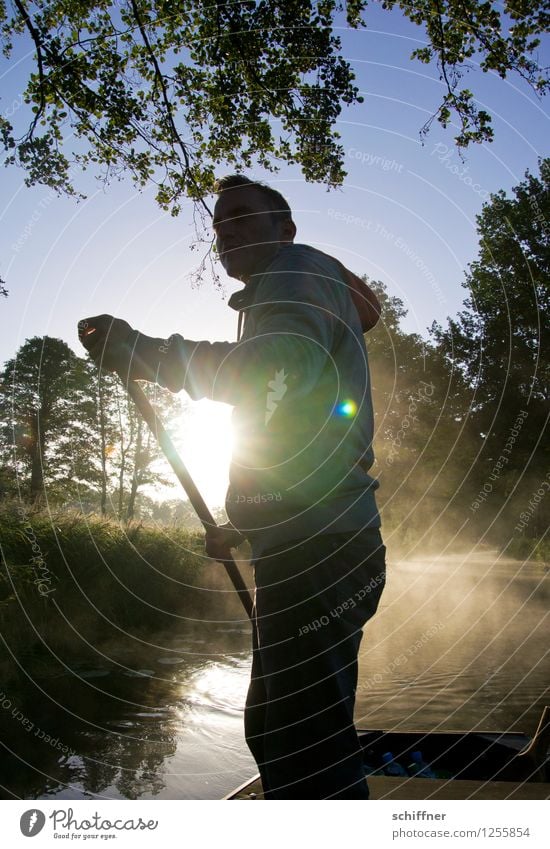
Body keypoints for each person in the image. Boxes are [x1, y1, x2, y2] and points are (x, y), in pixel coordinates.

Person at [79, 175, 386, 799]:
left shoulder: (298, 271)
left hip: (318, 553)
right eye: (220, 224)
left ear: (286, 229)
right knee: (275, 730)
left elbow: (266, 374)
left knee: (304, 745)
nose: (229, 231)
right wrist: (242, 525)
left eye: (245, 216)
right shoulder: (281, 300)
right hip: (305, 548)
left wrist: (142, 352)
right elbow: (289, 439)